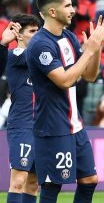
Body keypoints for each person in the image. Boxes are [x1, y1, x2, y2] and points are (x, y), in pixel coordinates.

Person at [26, 0, 104, 203]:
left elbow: (90, 75)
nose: (73, 10)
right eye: (67, 6)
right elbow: (64, 80)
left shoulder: (69, 37)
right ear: (53, 12)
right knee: (52, 185)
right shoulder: (40, 45)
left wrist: (97, 47)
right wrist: (89, 50)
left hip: (75, 125)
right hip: (53, 127)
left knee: (89, 180)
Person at [5, 14, 40, 203]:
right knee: (18, 182)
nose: (37, 35)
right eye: (32, 31)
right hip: (22, 126)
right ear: (19, 35)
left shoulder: (42, 60)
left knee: (33, 184)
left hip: (41, 126)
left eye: (38, 31)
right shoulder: (14, 56)